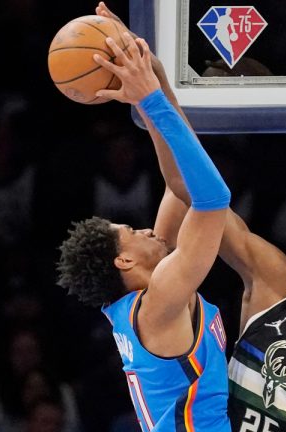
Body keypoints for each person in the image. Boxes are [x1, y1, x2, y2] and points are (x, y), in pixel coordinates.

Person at [94, 4, 286, 430]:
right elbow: (190, 192)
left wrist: (154, 93)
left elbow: (200, 195)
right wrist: (156, 90)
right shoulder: (273, 283)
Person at [56, 26, 231, 432]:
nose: (145, 229)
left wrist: (156, 85)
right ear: (125, 259)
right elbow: (213, 198)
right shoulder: (159, 303)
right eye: (132, 230)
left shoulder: (149, 301)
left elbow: (180, 184)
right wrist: (149, 98)